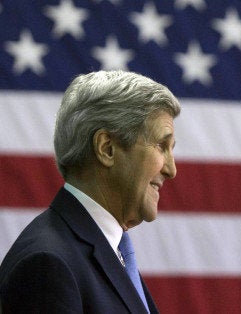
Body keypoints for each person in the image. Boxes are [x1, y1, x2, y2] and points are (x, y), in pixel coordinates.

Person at [0, 70, 181, 313]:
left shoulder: (108, 250)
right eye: (161, 146)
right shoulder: (48, 265)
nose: (171, 169)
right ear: (107, 149)